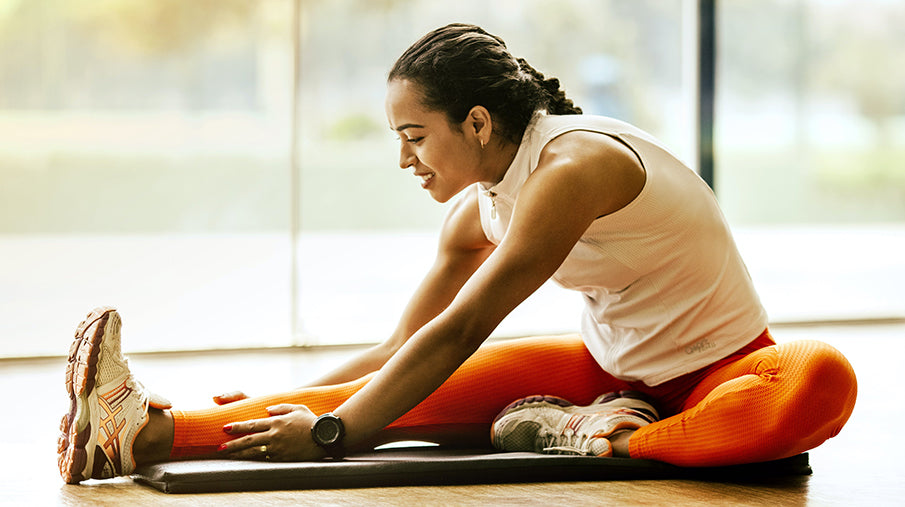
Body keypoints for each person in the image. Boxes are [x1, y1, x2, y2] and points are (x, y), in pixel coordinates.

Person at [58, 23, 857, 484]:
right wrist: (289, 400)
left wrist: (338, 434)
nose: (405, 159)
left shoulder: (573, 170)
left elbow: (467, 323)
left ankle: (603, 437)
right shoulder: (478, 209)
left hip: (725, 372)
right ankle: (133, 432)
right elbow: (400, 351)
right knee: (381, 391)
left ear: (476, 122)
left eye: (414, 136)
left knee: (822, 378)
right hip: (609, 374)